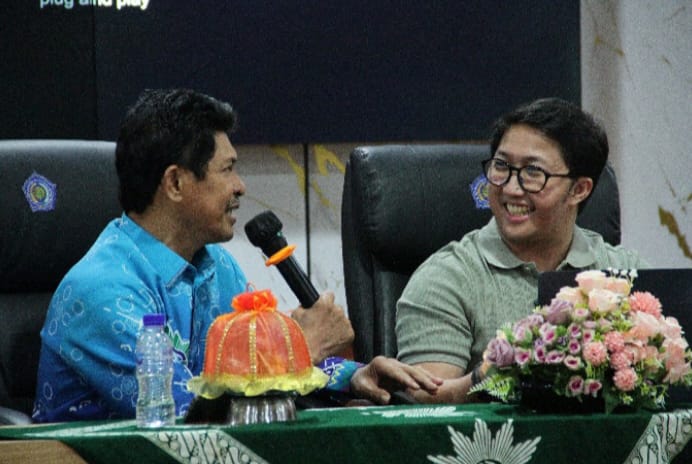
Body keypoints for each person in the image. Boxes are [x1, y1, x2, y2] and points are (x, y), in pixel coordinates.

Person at [32, 88, 439, 422]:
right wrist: (302, 345)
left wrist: (354, 377)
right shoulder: (102, 292)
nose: (241, 186)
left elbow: (249, 368)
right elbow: (185, 415)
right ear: (175, 183)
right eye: (227, 170)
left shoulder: (215, 265)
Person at [395, 98, 648, 403]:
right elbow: (423, 404)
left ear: (579, 189)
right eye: (501, 166)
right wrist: (496, 373)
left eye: (533, 172)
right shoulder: (445, 278)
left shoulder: (626, 274)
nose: (511, 189)